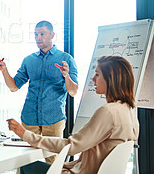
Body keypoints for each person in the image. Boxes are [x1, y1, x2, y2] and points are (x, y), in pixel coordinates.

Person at [7, 55, 140, 174]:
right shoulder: (130, 112)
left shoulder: (108, 112)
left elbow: (71, 146)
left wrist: (25, 134)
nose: (93, 79)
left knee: (26, 166)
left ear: (111, 78)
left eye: (97, 74)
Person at [0, 20, 78, 163]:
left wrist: (66, 76)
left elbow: (73, 91)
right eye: (36, 34)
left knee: (52, 163)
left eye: (42, 34)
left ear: (52, 35)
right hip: (29, 119)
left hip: (54, 120)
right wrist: (4, 70)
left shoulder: (66, 59)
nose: (38, 37)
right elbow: (14, 87)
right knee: (26, 162)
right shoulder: (29, 60)